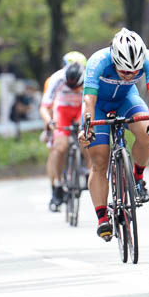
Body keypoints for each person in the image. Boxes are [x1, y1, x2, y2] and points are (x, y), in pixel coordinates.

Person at [79, 29, 149, 240]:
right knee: (99, 159)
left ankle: (137, 178)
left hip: (127, 100)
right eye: (124, 71)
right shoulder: (98, 61)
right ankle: (102, 219)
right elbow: (89, 100)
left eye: (135, 72)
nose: (130, 75)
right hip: (98, 105)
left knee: (146, 132)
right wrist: (87, 128)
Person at [39, 61, 87, 211]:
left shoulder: (89, 78)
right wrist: (50, 122)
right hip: (63, 110)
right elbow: (45, 107)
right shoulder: (57, 79)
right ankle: (57, 186)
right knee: (60, 147)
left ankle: (89, 174)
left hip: (81, 108)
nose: (73, 90)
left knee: (89, 139)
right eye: (70, 87)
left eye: (76, 88)